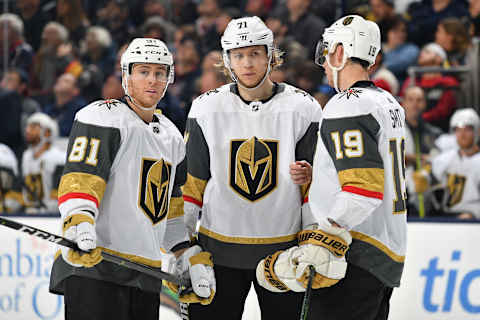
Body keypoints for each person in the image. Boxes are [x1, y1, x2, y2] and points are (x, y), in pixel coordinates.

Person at [49, 38, 215, 320]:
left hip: (144, 275)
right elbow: (82, 179)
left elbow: (171, 212)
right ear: (126, 75)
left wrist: (187, 254)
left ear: (169, 78)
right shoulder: (102, 117)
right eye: (143, 71)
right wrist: (79, 220)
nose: (152, 80)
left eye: (160, 73)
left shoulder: (172, 136)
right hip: (95, 267)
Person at [256, 15, 407, 320]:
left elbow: (362, 190)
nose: (324, 62)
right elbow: (373, 172)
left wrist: (323, 236)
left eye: (327, 52)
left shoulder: (346, 105)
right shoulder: (388, 102)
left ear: (340, 52)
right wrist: (320, 178)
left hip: (353, 256)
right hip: (385, 252)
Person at [183, 16, 322, 319]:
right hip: (217, 251)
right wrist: (181, 246)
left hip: (285, 253)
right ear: (227, 60)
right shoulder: (205, 108)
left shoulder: (304, 107)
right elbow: (192, 183)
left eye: (255, 54)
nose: (247, 63)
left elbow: (315, 186)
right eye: (239, 55)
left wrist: (313, 236)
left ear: (271, 56)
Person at [413, 108, 480, 220]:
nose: (462, 135)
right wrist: (423, 181)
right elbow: (425, 183)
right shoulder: (444, 159)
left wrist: (474, 214)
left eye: (467, 129)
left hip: (474, 220)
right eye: (458, 130)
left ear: (477, 131)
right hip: (445, 217)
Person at [21, 112, 65, 213]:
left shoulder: (58, 158)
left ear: (47, 132)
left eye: (34, 127)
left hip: (52, 216)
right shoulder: (26, 156)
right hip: (28, 213)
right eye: (28, 127)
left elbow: (60, 195)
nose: (27, 130)